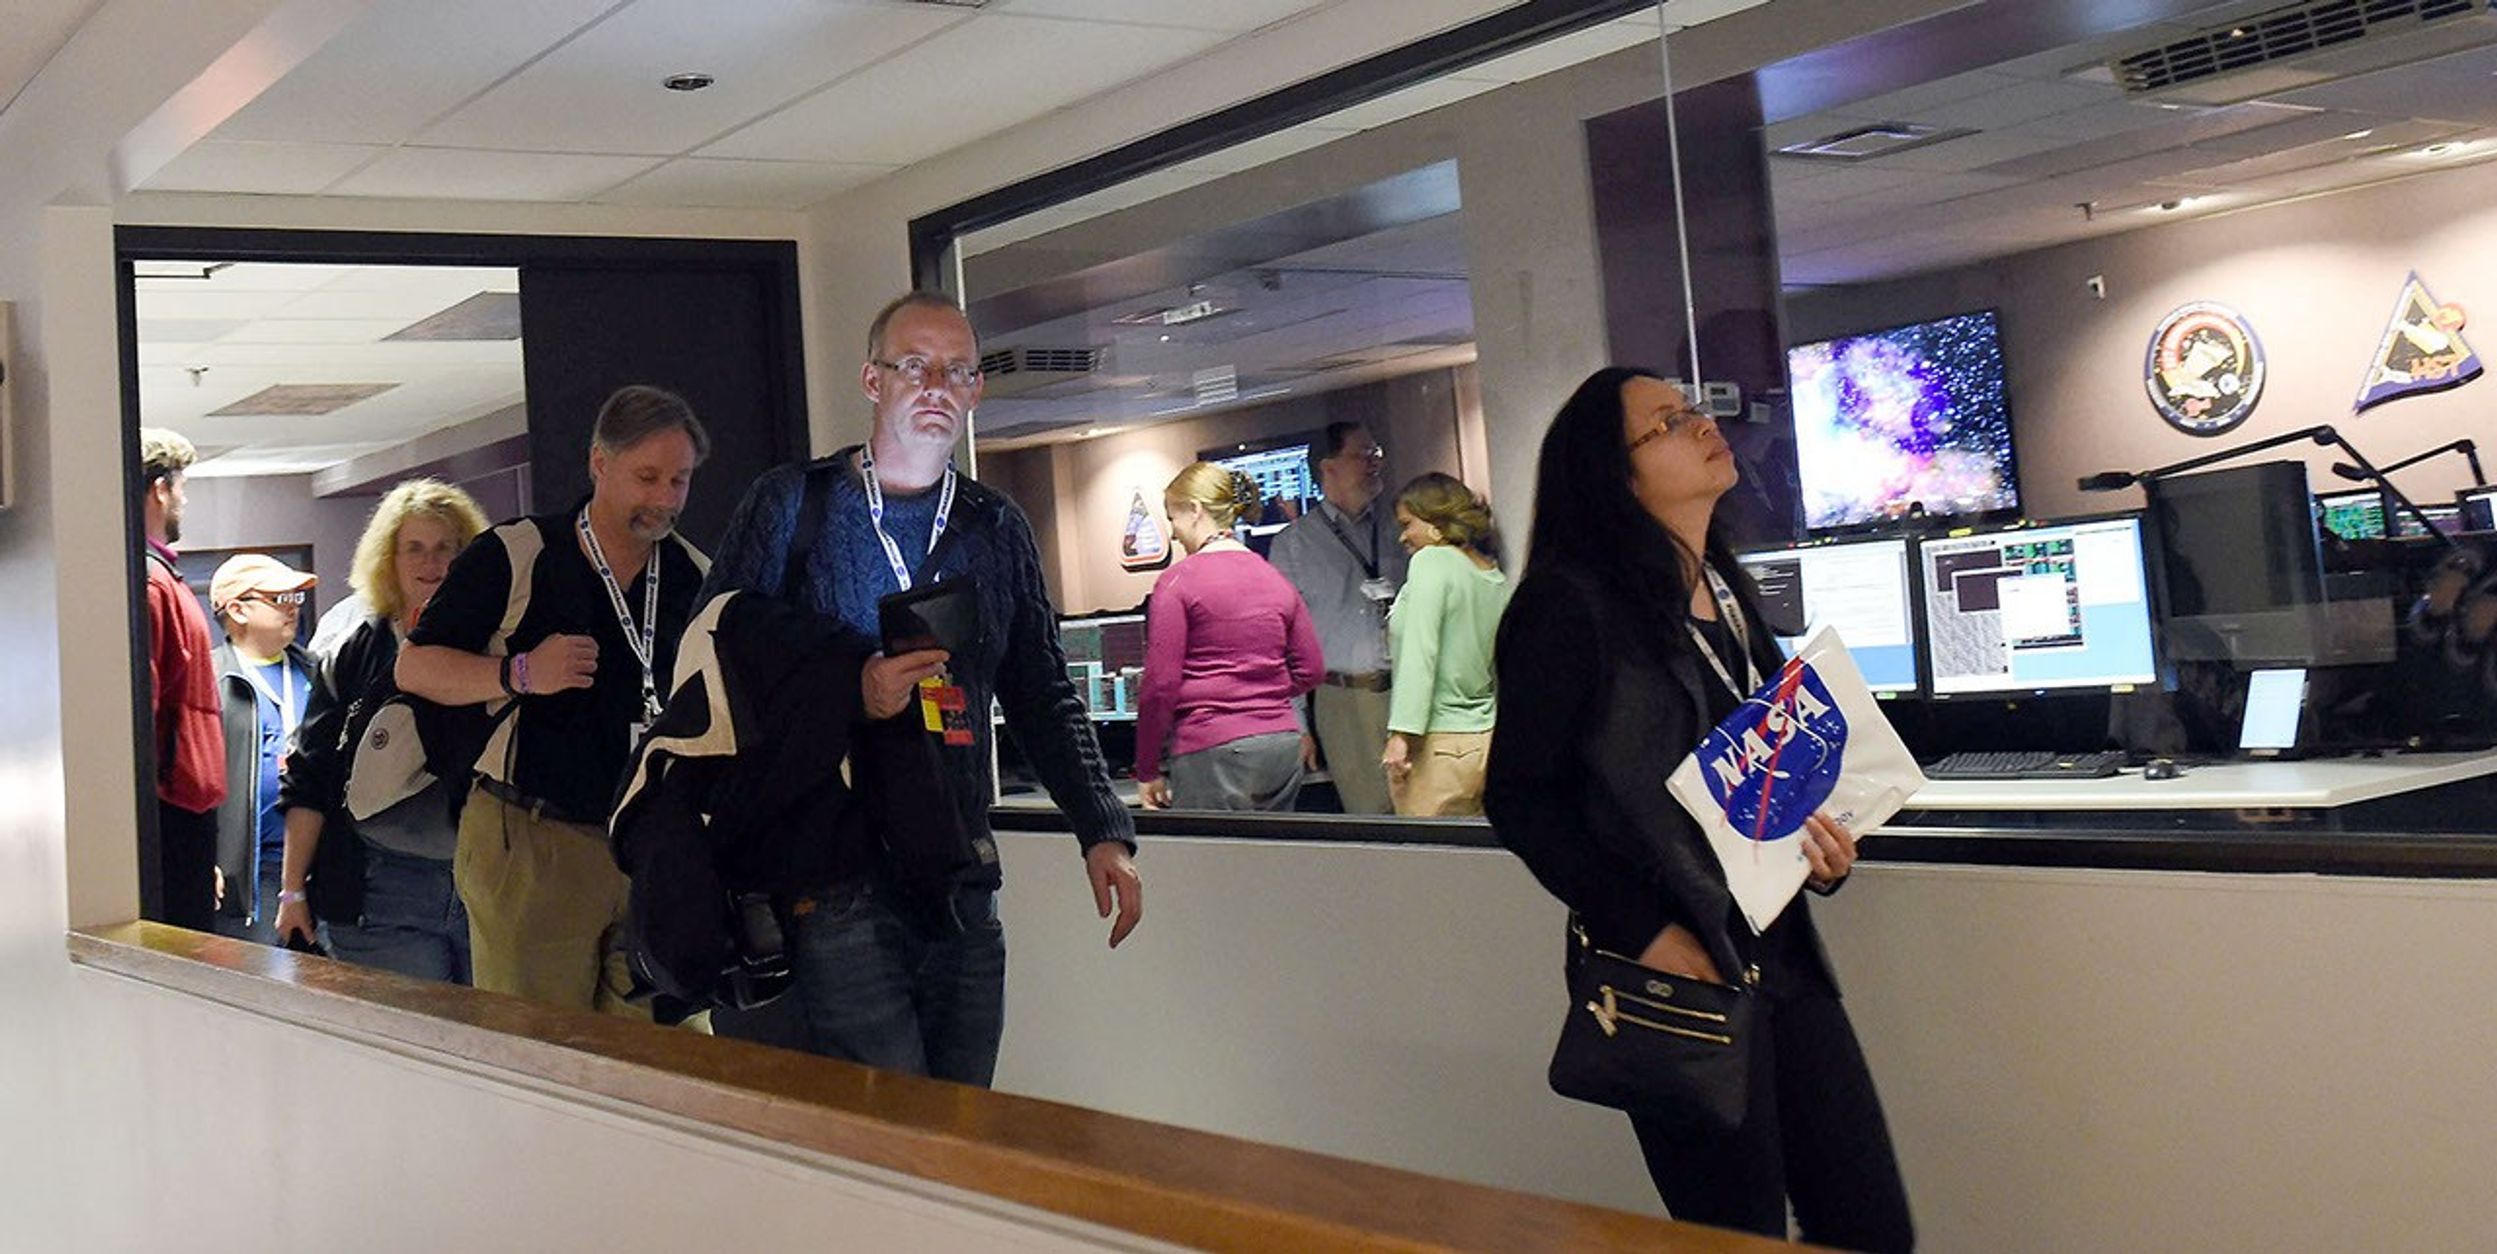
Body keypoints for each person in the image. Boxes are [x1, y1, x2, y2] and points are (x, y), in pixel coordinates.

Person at [1483, 368, 1913, 1250]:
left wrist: (1817, 851)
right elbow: (1521, 799)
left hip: (1780, 951)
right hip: (1674, 965)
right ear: (1614, 471)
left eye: (1692, 411)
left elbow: (1757, 769)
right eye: (1667, 423)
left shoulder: (1724, 589)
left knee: (1868, 1222)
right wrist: (1643, 930)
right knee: (1732, 1234)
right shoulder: (1568, 604)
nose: (1702, 426)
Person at [701, 290, 1141, 1086]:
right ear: (874, 381)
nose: (937, 386)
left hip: (958, 870)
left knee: (964, 1124)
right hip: (833, 873)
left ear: (975, 391)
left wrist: (1101, 828)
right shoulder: (793, 505)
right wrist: (851, 688)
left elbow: (1040, 687)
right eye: (915, 366)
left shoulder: (993, 526)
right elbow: (717, 652)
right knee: (890, 1128)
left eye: (958, 371)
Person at [397, 386, 710, 1016]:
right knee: (538, 1053)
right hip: (532, 836)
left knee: (664, 1064)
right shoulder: (519, 554)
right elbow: (416, 666)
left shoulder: (694, 575)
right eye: (647, 477)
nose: (664, 499)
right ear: (599, 463)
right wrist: (518, 673)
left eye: (679, 480)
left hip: (650, 846)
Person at [273, 480, 491, 982]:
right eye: (414, 548)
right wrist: (291, 890)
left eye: (445, 549)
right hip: (377, 892)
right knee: (410, 1048)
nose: (430, 563)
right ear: (388, 559)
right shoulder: (354, 652)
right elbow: (311, 773)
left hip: (482, 884)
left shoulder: (499, 644)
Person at [1134, 462, 1324, 812]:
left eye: (1173, 518)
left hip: (1212, 747)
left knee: (1212, 863)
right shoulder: (1273, 577)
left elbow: (1161, 684)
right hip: (1282, 745)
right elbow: (1311, 669)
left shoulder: (1179, 582)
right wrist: (1261, 693)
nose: (1174, 534)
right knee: (1270, 860)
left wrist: (1146, 767)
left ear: (1195, 510)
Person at [1267, 422, 1409, 813]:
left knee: (1424, 815)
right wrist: (1297, 724)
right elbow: (1283, 644)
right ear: (1328, 468)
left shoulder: (1401, 528)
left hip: (1408, 692)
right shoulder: (1294, 545)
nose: (1374, 463)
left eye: (1376, 453)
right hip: (1344, 698)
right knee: (1374, 819)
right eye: (1363, 455)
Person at [1381, 472, 1509, 817]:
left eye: (1408, 524)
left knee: (1427, 863)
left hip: (1438, 744)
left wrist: (1401, 735)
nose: (1404, 536)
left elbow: (1421, 652)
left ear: (1437, 524)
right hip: (1485, 739)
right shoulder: (1493, 576)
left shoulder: (1432, 562)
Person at [138, 429, 225, 931]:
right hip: (167, 818)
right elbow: (140, 718)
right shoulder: (149, 585)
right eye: (183, 487)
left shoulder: (160, 580)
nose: (184, 501)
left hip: (183, 816)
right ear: (160, 489)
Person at [207, 554, 318, 944]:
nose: (293, 607)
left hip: (322, 872)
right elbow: (189, 778)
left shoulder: (318, 673)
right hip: (250, 877)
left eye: (296, 598)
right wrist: (202, 855)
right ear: (237, 609)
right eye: (279, 598)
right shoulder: (211, 680)